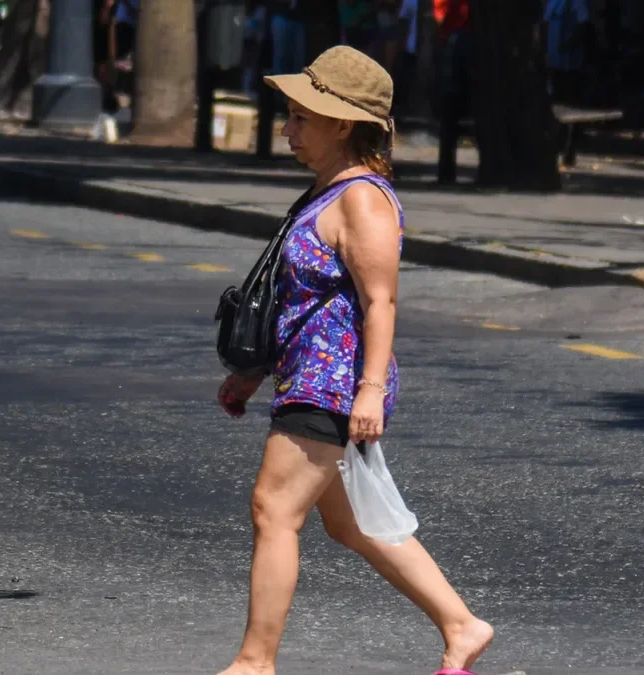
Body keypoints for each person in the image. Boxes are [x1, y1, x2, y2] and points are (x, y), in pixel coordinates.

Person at [214, 45, 494, 675]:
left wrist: (368, 390)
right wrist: (253, 373)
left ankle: (255, 663)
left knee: (273, 509)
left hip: (334, 383)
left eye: (301, 118)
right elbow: (299, 301)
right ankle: (461, 625)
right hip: (308, 376)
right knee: (350, 524)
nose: (287, 129)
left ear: (342, 124)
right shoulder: (327, 191)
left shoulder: (362, 200)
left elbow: (380, 302)